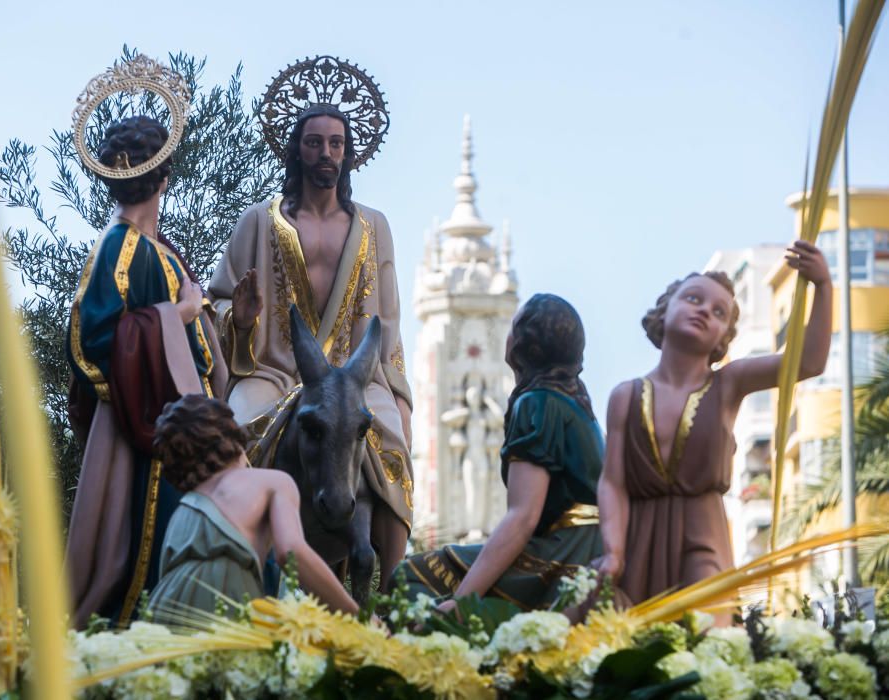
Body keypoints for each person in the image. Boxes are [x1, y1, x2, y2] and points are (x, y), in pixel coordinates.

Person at [208, 97, 412, 585]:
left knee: (392, 446)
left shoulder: (373, 227)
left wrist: (399, 396)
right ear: (296, 149)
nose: (326, 153)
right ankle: (239, 567)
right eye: (315, 142)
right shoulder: (258, 221)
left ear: (348, 154)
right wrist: (239, 319)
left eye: (336, 144)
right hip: (274, 372)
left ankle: (395, 583)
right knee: (237, 429)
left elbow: (388, 320)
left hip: (354, 377)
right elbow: (217, 302)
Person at [596, 241, 832, 607]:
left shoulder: (727, 384)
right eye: (693, 299)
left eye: (719, 312)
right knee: (626, 640)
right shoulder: (625, 396)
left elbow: (808, 363)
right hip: (638, 540)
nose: (705, 310)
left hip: (702, 535)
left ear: (724, 338)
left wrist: (823, 286)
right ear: (666, 307)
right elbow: (613, 482)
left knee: (709, 631)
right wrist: (613, 550)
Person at [64, 110, 228, 628]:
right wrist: (177, 314)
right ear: (165, 177)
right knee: (137, 549)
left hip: (185, 419)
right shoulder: (119, 244)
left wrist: (232, 322)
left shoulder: (160, 251)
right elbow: (94, 342)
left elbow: (201, 344)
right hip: (152, 426)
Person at [392, 294, 604, 612]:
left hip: (562, 556)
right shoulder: (577, 404)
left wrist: (462, 602)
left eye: (513, 326)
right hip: (592, 547)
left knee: (408, 578)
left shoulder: (537, 403)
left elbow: (523, 516)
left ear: (524, 344)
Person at [147, 395, 360, 621]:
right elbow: (291, 552)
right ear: (231, 434)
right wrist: (357, 615)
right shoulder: (272, 481)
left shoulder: (183, 509)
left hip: (166, 608)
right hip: (225, 598)